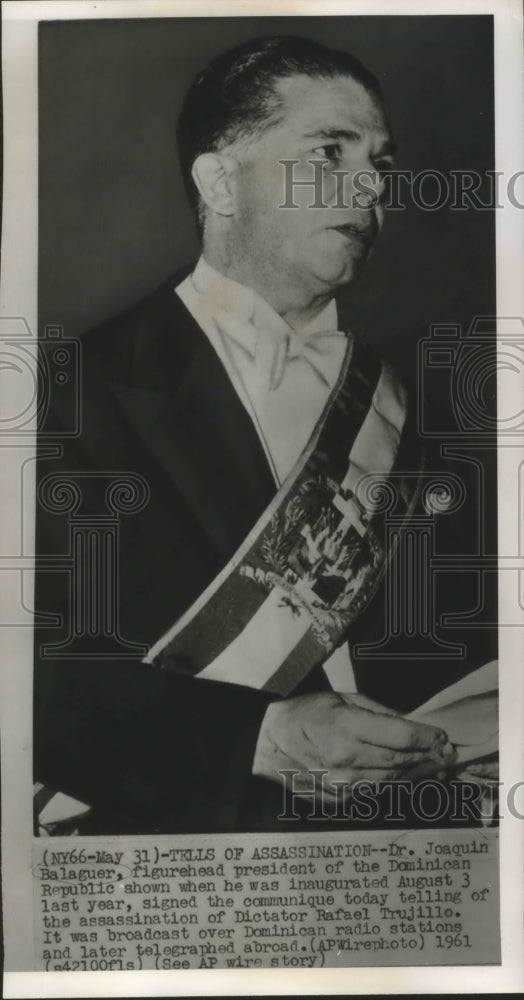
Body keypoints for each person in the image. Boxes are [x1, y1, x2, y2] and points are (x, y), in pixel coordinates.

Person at [34, 35, 497, 835]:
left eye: (381, 164)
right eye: (329, 152)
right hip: (176, 861)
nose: (372, 187)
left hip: (424, 856)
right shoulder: (67, 395)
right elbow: (26, 676)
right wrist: (263, 738)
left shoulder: (434, 415)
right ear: (220, 182)